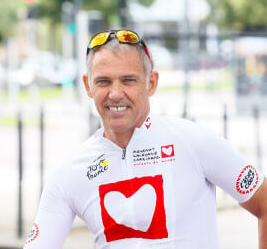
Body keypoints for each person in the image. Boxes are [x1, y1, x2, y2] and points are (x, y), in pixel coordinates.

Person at [24, 29, 267, 249]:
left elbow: (264, 203)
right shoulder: (70, 171)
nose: (116, 93)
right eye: (103, 81)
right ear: (88, 86)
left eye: (128, 80)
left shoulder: (195, 142)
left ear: (151, 83)